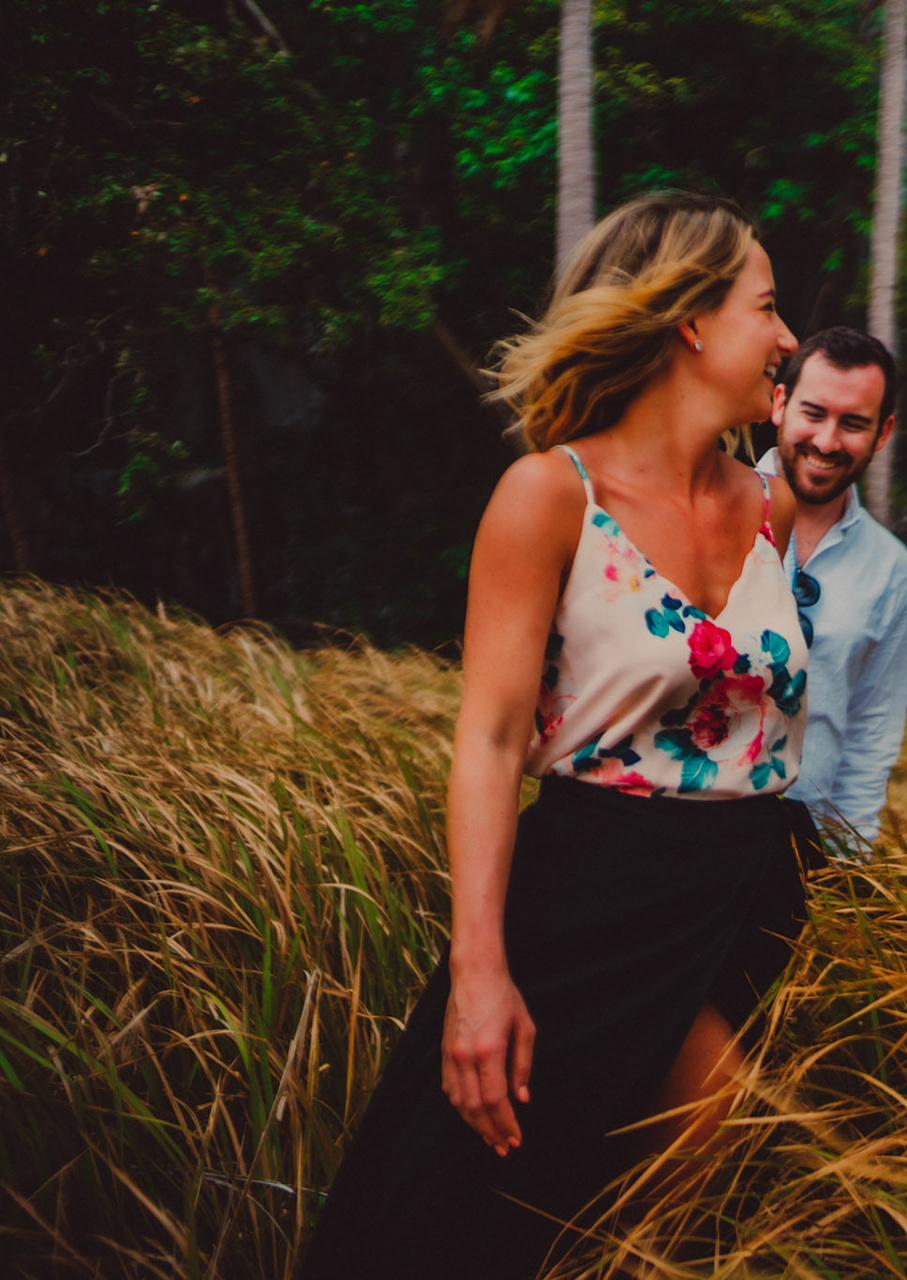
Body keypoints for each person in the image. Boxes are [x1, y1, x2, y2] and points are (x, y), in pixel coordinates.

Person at [300, 193, 813, 1279]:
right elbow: (487, 738)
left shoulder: (765, 506)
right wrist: (480, 974)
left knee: (711, 1199)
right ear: (689, 322)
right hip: (596, 897)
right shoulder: (549, 496)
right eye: (767, 309)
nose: (787, 339)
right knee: (478, 1214)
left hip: (748, 892)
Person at [756, 327, 907, 847]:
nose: (827, 442)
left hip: (809, 852)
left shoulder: (893, 571)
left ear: (884, 432)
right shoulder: (704, 516)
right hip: (692, 832)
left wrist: (849, 868)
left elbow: (873, 732)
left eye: (853, 424)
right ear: (780, 403)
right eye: (814, 413)